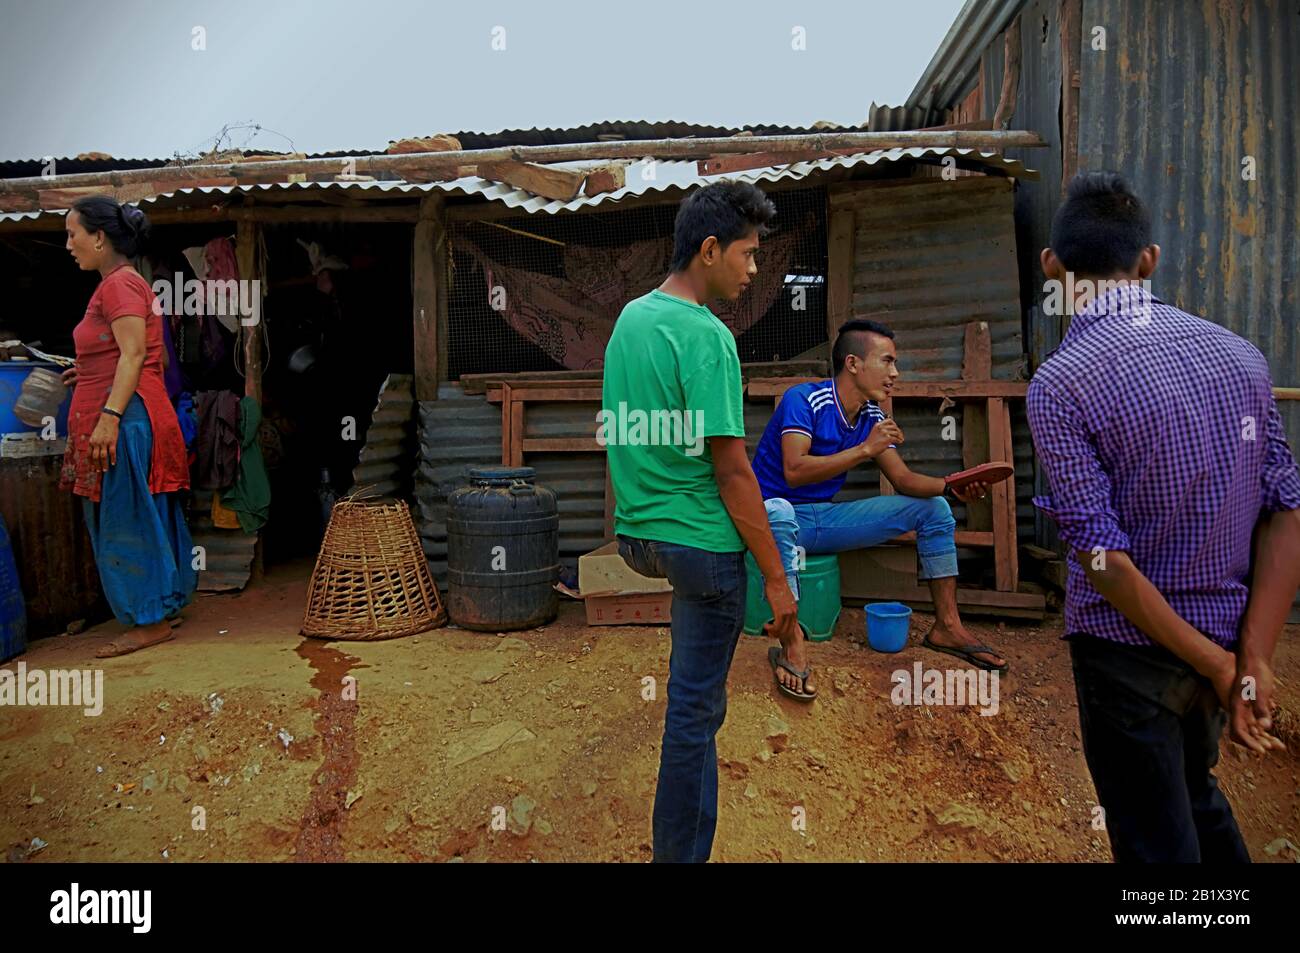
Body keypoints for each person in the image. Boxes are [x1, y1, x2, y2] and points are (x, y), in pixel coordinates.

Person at [1027, 171, 1300, 863]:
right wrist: (1252, 657)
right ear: (1149, 260)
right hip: (1222, 636)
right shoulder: (1241, 356)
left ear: (1052, 266)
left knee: (1156, 841)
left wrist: (1218, 666)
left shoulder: (1060, 384)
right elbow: (1285, 512)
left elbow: (1105, 564)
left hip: (1129, 656)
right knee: (1193, 795)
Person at [602, 181, 799, 862]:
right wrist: (776, 579)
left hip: (640, 537)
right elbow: (733, 470)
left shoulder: (630, 319)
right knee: (693, 713)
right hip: (702, 549)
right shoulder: (709, 337)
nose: (753, 268)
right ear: (709, 250)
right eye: (746, 254)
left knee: (692, 709)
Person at [750, 318, 1007, 699]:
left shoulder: (871, 416)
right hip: (772, 520)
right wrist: (865, 450)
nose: (895, 373)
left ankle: (947, 627)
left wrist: (952, 487)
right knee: (782, 512)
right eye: (886, 361)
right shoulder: (803, 400)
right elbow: (794, 471)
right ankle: (792, 642)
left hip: (823, 518)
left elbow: (903, 480)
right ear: (853, 364)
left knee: (934, 508)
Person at [61, 196, 196, 657]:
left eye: (72, 234)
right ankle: (163, 604)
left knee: (126, 518)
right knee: (148, 511)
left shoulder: (118, 286)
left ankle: (147, 621)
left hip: (128, 419)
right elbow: (123, 351)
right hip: (140, 413)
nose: (68, 244)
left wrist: (109, 418)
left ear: (99, 238)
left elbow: (135, 355)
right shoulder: (121, 284)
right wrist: (91, 369)